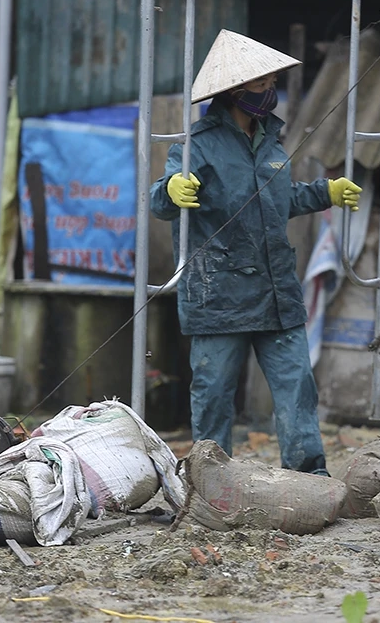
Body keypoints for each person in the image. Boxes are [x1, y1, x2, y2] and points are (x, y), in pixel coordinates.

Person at [150, 30, 362, 476]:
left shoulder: (271, 140)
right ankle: (210, 480)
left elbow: (277, 200)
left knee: (297, 387)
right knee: (213, 396)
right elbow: (161, 200)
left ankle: (309, 477)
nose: (270, 92)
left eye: (272, 83)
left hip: (276, 290)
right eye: (262, 85)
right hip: (218, 294)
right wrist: (171, 190)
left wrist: (324, 192)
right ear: (234, 92)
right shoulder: (196, 145)